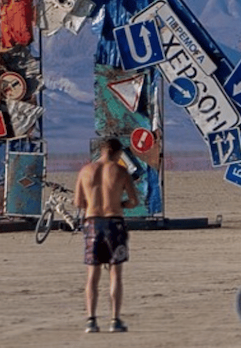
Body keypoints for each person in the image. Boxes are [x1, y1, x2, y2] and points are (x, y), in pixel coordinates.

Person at [75, 137, 140, 334]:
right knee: (115, 274)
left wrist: (93, 205)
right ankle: (114, 319)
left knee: (92, 275)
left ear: (101, 151)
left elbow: (78, 202)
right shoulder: (120, 171)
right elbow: (134, 201)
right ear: (118, 152)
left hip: (93, 223)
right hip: (114, 223)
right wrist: (119, 204)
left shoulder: (85, 171)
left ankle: (91, 320)